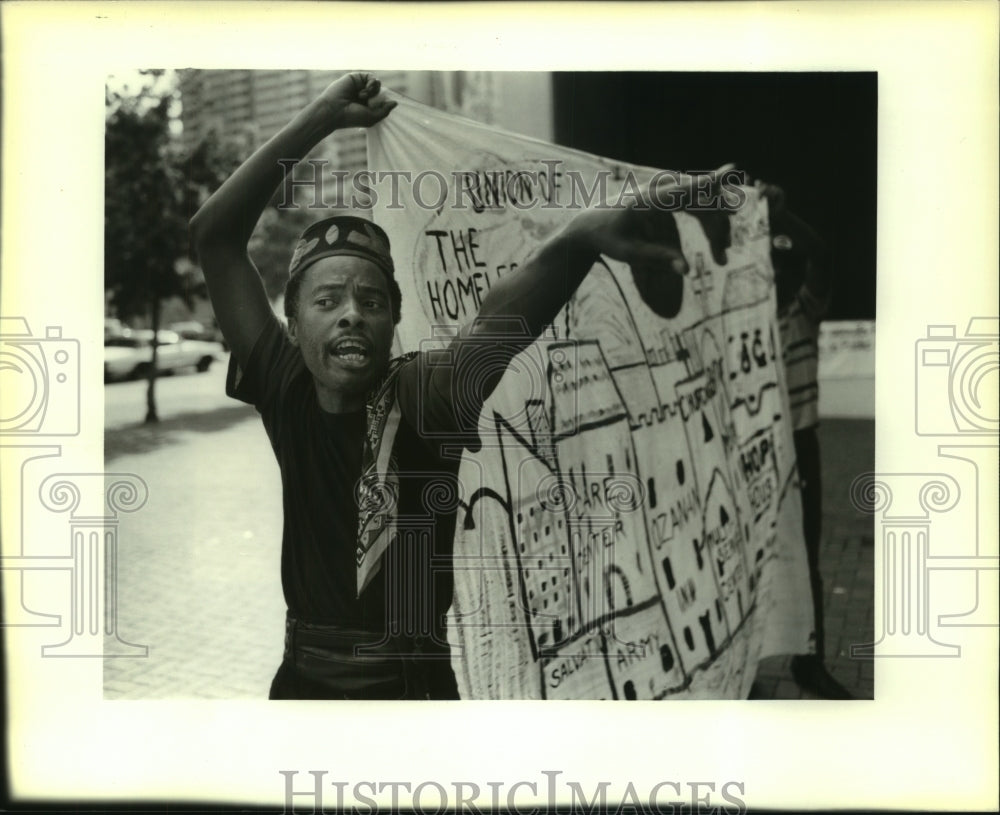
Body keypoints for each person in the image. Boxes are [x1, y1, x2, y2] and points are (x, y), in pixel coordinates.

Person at [190, 72, 730, 700]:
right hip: (304, 688)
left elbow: (499, 320)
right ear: (292, 320)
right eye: (328, 299)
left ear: (394, 320)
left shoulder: (425, 396)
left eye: (371, 300)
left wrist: (579, 238)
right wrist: (320, 119)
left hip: (412, 693)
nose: (351, 314)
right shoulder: (285, 391)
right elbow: (215, 238)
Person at [762, 182, 853, 700]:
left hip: (801, 447)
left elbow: (822, 255)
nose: (771, 276)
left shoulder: (803, 312)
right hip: (753, 454)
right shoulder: (734, 329)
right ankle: (743, 669)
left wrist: (786, 218)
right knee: (749, 561)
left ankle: (809, 663)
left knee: (808, 557)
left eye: (777, 267)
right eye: (763, 268)